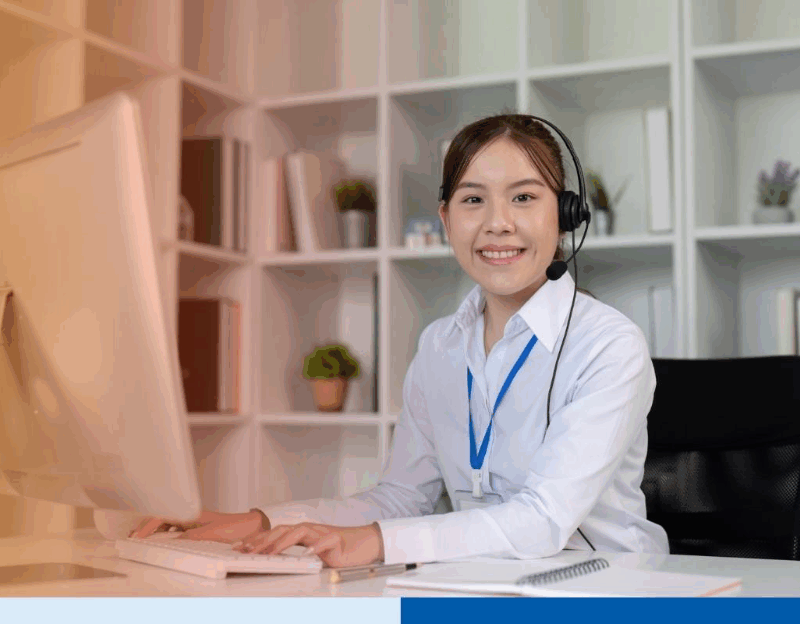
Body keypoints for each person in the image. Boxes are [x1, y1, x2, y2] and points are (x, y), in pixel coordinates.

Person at [131, 113, 669, 568]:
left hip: (608, 589)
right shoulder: (439, 347)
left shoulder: (607, 346)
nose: (498, 223)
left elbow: (545, 519)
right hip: (488, 585)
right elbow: (400, 498)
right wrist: (258, 521)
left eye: (524, 197)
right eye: (473, 199)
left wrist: (376, 543)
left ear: (567, 215)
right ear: (445, 219)